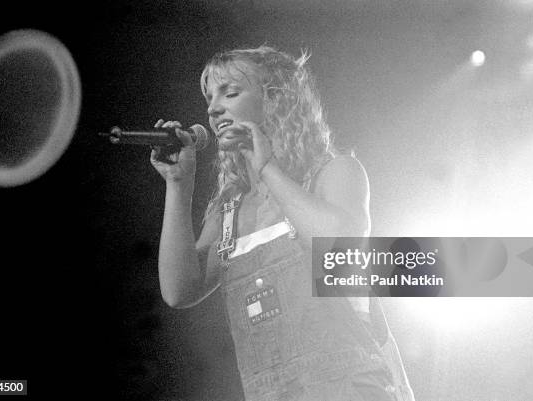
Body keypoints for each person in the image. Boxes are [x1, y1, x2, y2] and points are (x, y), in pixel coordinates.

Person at [150, 45, 414, 401]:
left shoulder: (333, 172)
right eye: (209, 97)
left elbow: (339, 249)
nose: (213, 109)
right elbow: (179, 290)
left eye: (230, 93)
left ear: (274, 98)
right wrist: (179, 184)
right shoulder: (228, 210)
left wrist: (266, 168)